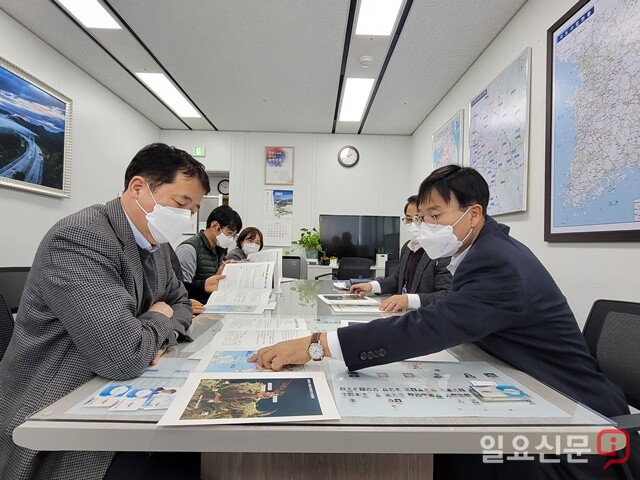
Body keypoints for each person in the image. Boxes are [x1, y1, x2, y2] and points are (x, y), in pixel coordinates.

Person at [250, 165, 639, 479]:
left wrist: (319, 344)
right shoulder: (481, 250)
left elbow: (431, 326)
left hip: (580, 421)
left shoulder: (497, 262)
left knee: (445, 454)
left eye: (435, 216)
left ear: (474, 214)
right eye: (421, 217)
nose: (425, 227)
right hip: (528, 388)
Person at [0, 143, 209, 480]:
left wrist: (150, 331)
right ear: (138, 187)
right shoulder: (80, 238)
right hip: (58, 410)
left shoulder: (153, 243)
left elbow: (182, 304)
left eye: (193, 208)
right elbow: (123, 355)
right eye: (181, 203)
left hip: (114, 391)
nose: (186, 216)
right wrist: (158, 318)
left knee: (199, 452)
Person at [349, 195, 452, 312]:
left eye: (418, 219)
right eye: (409, 219)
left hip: (426, 318)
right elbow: (398, 278)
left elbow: (446, 295)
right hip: (401, 314)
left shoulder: (443, 251)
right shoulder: (408, 247)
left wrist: (408, 300)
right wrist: (372, 286)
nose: (413, 224)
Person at [175, 204, 242, 303]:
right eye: (229, 233)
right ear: (215, 226)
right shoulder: (188, 249)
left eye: (234, 235)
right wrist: (205, 285)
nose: (231, 239)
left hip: (212, 303)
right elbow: (180, 289)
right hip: (195, 309)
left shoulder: (219, 249)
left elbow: (212, 280)